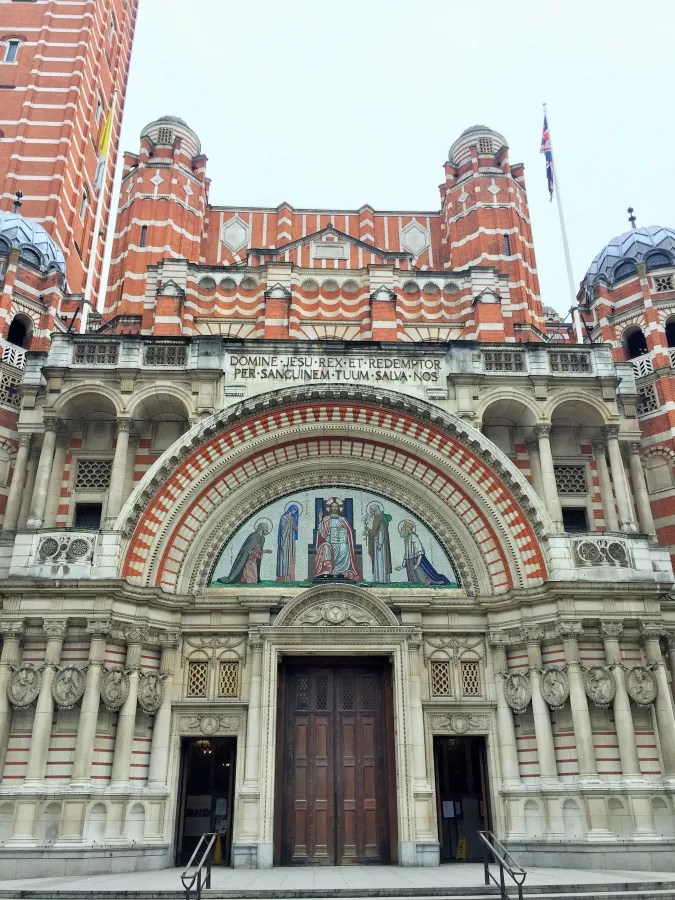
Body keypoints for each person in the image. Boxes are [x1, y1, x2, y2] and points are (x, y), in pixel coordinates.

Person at [314, 499, 359, 580]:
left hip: (341, 541)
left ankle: (339, 571)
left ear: (338, 508)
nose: (334, 508)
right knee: (326, 547)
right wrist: (320, 518)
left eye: (336, 507)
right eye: (333, 506)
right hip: (330, 542)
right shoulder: (326, 519)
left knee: (345, 548)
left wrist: (343, 533)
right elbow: (322, 532)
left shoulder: (343, 519)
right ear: (330, 508)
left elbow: (348, 531)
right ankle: (328, 571)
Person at [396, 520, 451, 586]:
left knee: (422, 577)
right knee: (415, 580)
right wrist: (402, 566)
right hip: (410, 561)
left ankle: (431, 581)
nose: (402, 530)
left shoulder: (413, 537)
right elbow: (406, 553)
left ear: (407, 529)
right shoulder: (406, 538)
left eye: (403, 528)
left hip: (417, 560)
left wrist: (417, 564)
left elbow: (420, 551)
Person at [364, 501, 392, 583]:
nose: (371, 512)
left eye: (372, 511)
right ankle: (379, 579)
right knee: (378, 561)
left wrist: (380, 542)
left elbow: (381, 531)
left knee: (381, 561)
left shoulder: (379, 518)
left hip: (380, 544)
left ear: (375, 510)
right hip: (378, 542)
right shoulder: (378, 518)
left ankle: (381, 579)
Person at [276, 503, 301, 582]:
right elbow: (282, 529)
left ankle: (290, 577)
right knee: (284, 556)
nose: (295, 512)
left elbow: (295, 529)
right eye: (294, 510)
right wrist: (290, 524)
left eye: (296, 511)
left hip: (291, 540)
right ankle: (283, 577)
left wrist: (294, 525)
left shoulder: (292, 518)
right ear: (291, 509)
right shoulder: (283, 517)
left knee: (290, 556)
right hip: (285, 539)